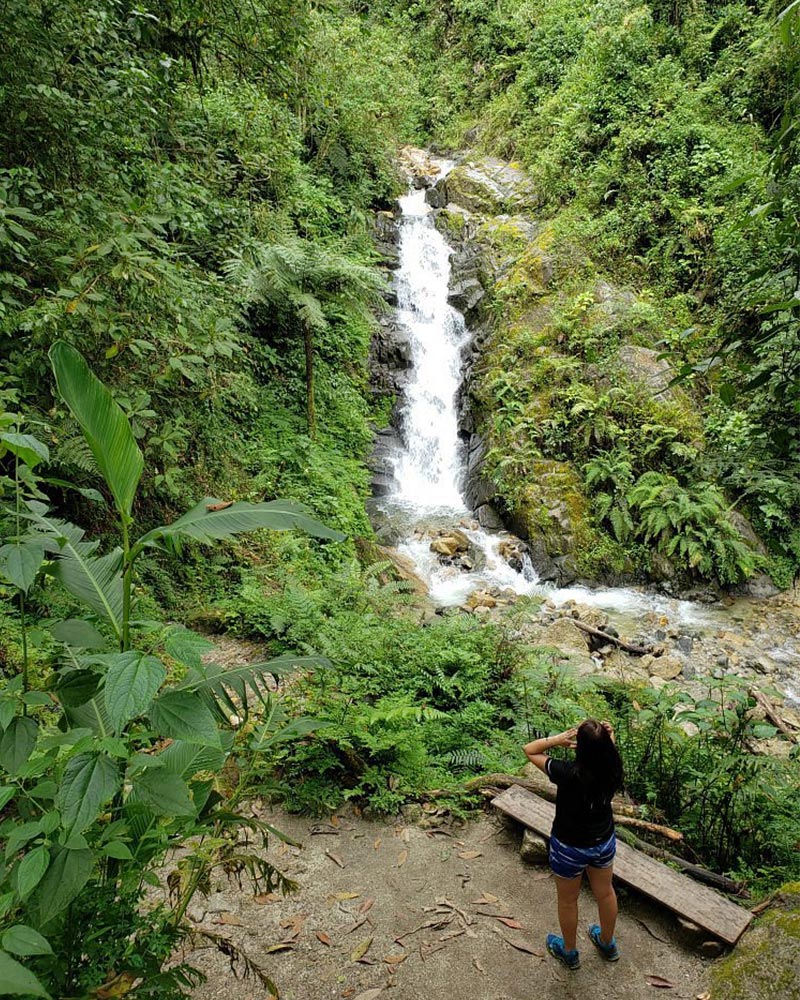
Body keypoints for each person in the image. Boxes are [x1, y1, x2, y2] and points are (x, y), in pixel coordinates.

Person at [523, 719, 624, 970]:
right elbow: (606, 752)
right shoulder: (613, 767)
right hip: (603, 842)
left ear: (578, 747)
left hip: (569, 846)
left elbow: (530, 750)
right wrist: (607, 737)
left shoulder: (566, 772)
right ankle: (607, 942)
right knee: (606, 892)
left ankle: (569, 952)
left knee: (568, 900)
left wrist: (558, 739)